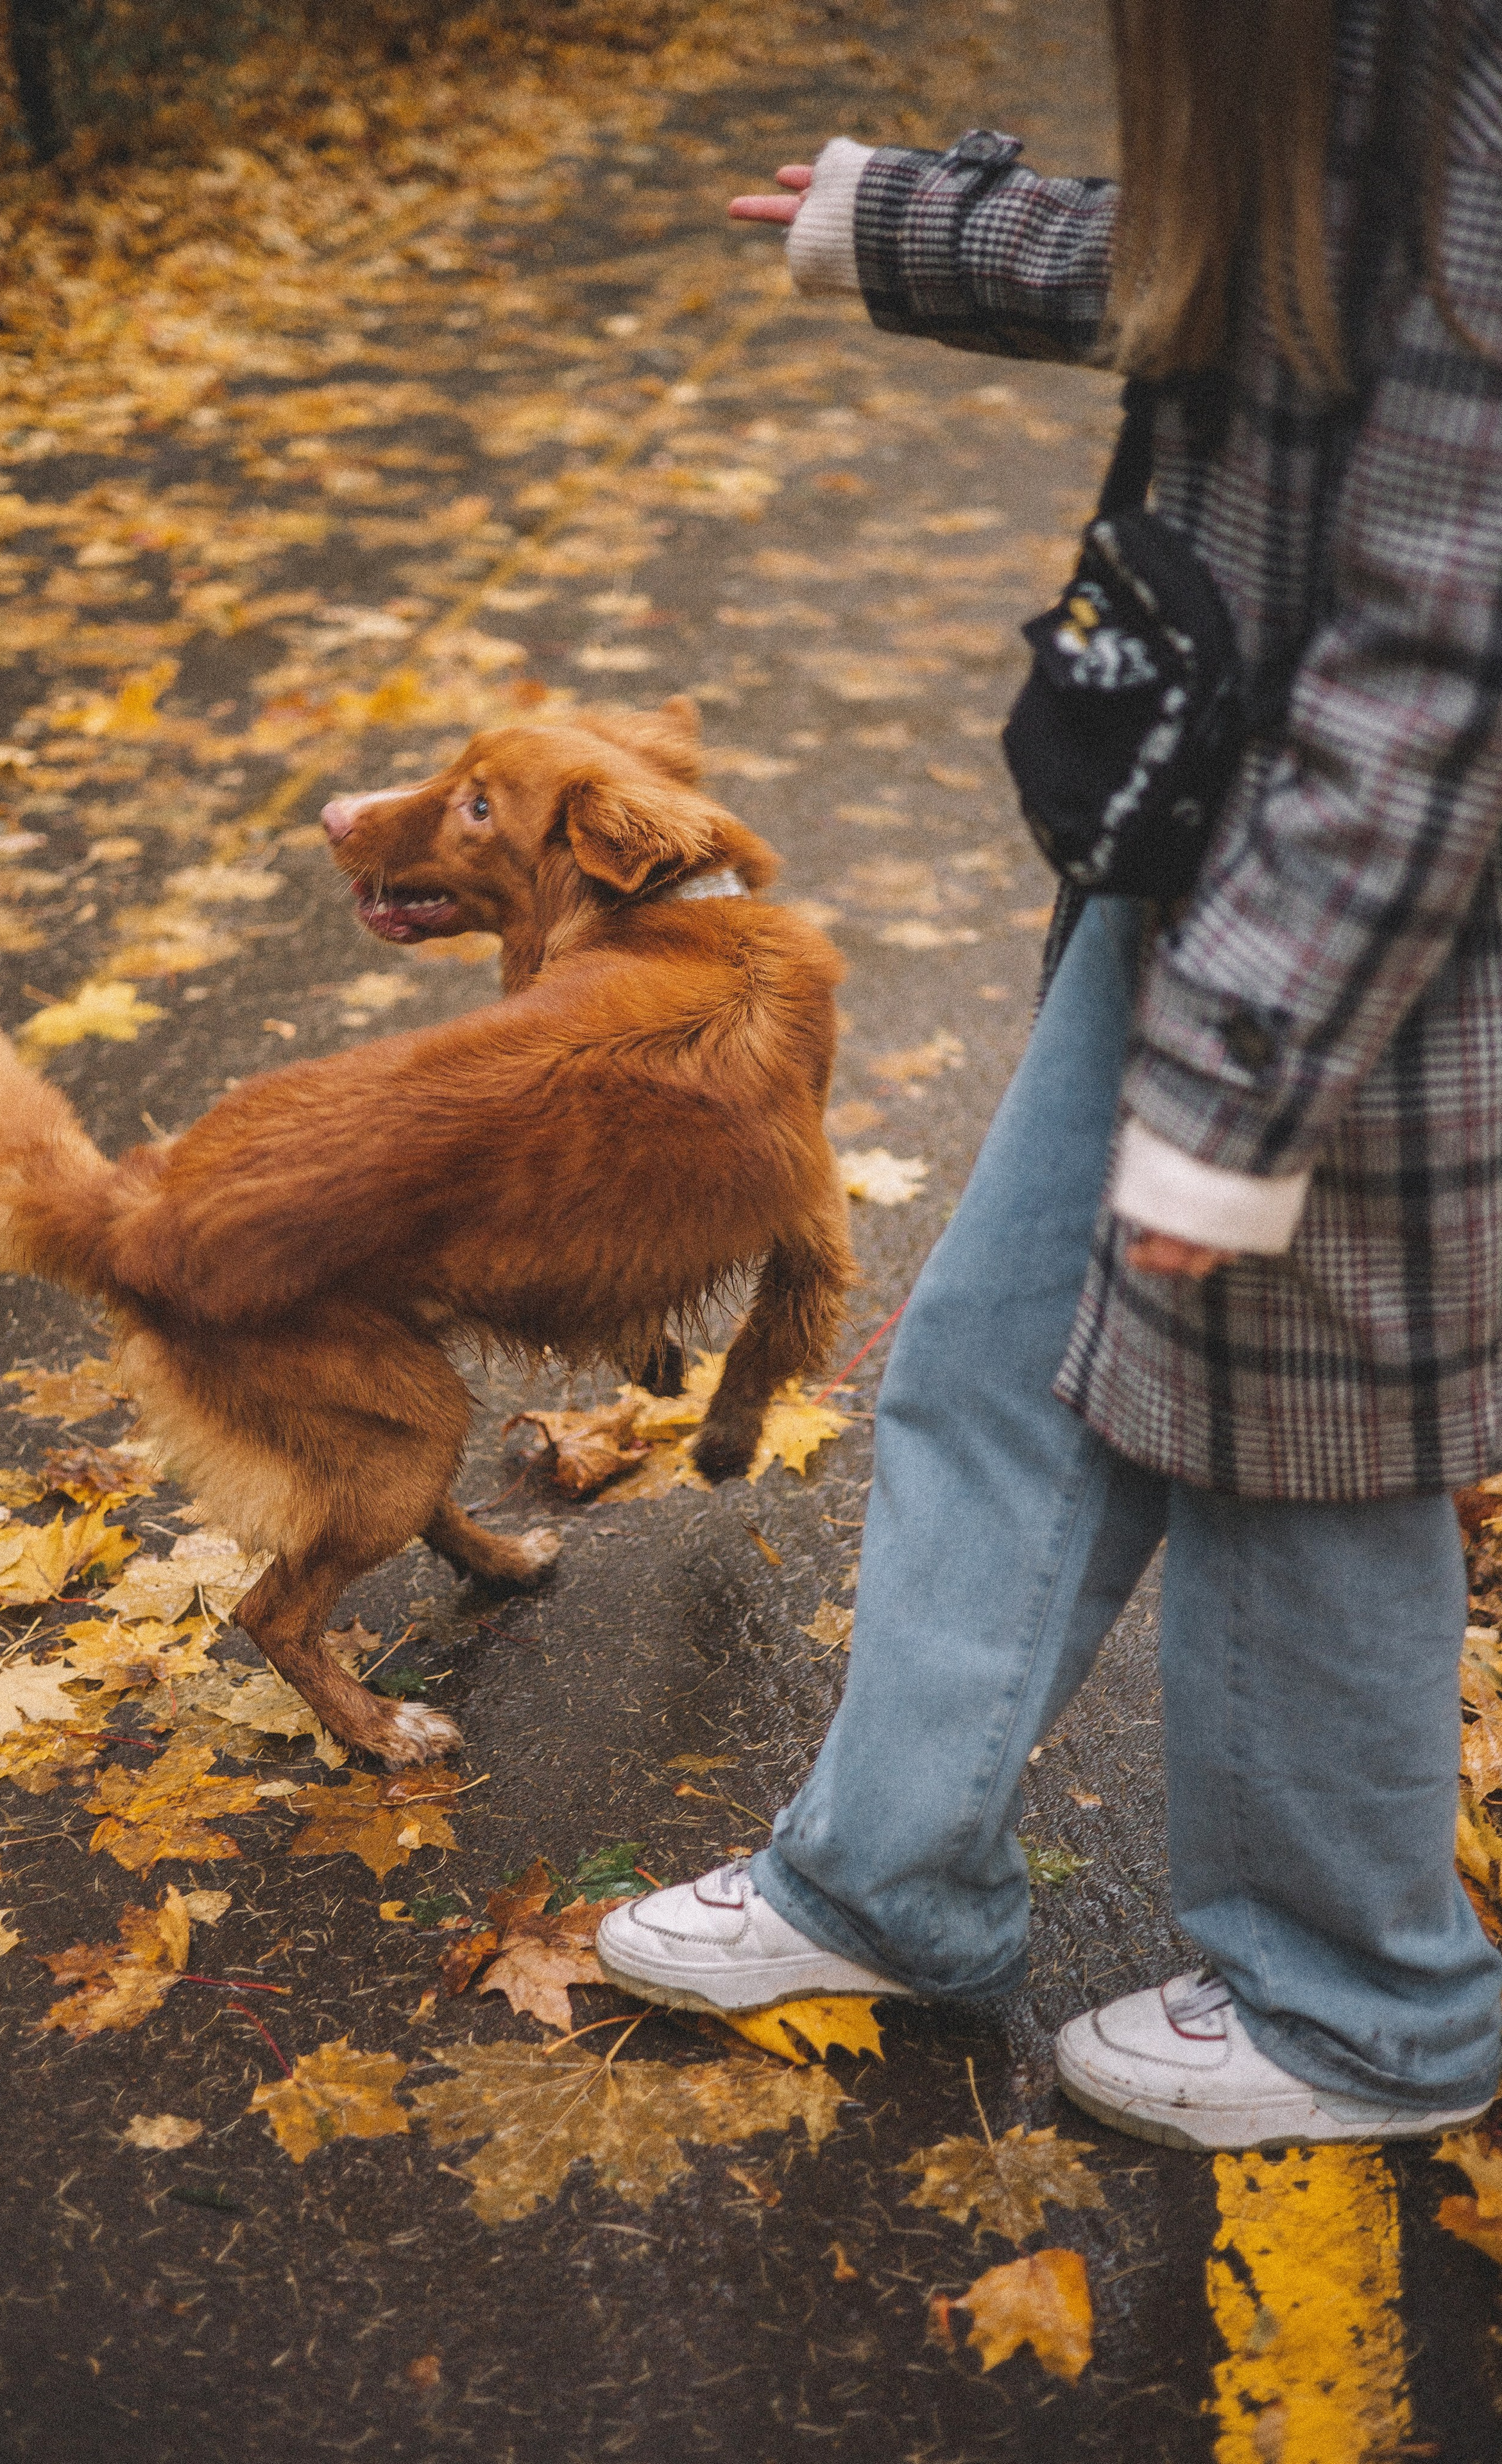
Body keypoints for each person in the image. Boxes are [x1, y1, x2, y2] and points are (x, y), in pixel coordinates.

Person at [597, 0, 1502, 2151]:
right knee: (1003, 1353)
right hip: (1228, 831)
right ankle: (889, 1880)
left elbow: (1456, 649)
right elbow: (1298, 266)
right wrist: (929, 228)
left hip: (1379, 897)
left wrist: (1243, 1076)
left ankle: (1369, 2004)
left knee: (1301, 1442)